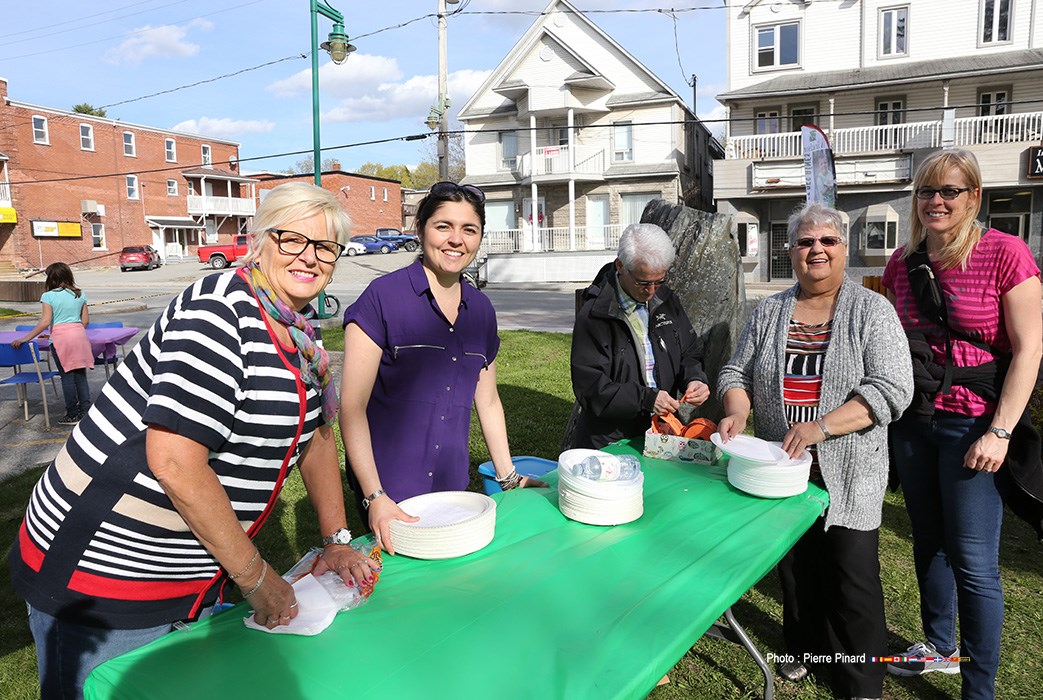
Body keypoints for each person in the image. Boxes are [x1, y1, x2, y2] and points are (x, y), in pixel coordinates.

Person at [8, 182, 379, 699]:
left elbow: (316, 435)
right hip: (105, 576)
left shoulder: (298, 330)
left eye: (325, 246)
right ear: (260, 241)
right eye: (293, 239)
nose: (309, 257)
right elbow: (176, 463)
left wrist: (336, 539)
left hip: (195, 571)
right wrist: (257, 579)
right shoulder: (218, 311)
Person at [717, 203, 913, 700]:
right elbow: (736, 373)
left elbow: (892, 388)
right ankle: (803, 651)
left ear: (844, 249)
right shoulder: (770, 311)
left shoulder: (872, 310)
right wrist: (737, 411)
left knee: (853, 580)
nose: (816, 250)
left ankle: (860, 681)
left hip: (850, 472)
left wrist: (820, 427)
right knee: (797, 572)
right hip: (784, 470)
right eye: (805, 242)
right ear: (791, 252)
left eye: (828, 240)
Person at [881, 149, 1043, 699]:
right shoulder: (902, 262)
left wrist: (1000, 432)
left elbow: (1029, 350)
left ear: (973, 196)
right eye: (926, 191)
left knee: (974, 562)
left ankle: (979, 691)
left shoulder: (1005, 253)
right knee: (928, 541)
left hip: (974, 425)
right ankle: (939, 646)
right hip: (915, 421)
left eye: (949, 190)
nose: (936, 201)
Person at [340, 181, 543, 555]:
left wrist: (508, 477)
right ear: (420, 229)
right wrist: (374, 496)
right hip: (389, 491)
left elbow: (489, 401)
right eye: (443, 226)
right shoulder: (381, 299)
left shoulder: (482, 311)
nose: (456, 240)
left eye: (469, 229)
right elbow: (351, 407)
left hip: (453, 489)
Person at [570, 223, 709, 449]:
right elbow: (591, 388)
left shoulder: (667, 300)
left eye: (659, 281)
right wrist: (646, 399)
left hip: (662, 430)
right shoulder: (595, 315)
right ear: (620, 266)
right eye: (642, 282)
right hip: (611, 439)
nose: (651, 291)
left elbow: (689, 352)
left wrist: (695, 379)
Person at [12, 262, 93, 423]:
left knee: (67, 376)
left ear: (51, 278)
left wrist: (25, 338)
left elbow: (45, 321)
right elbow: (85, 321)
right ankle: (85, 412)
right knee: (80, 376)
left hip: (61, 338)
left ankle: (72, 414)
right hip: (79, 336)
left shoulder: (48, 296)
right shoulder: (79, 294)